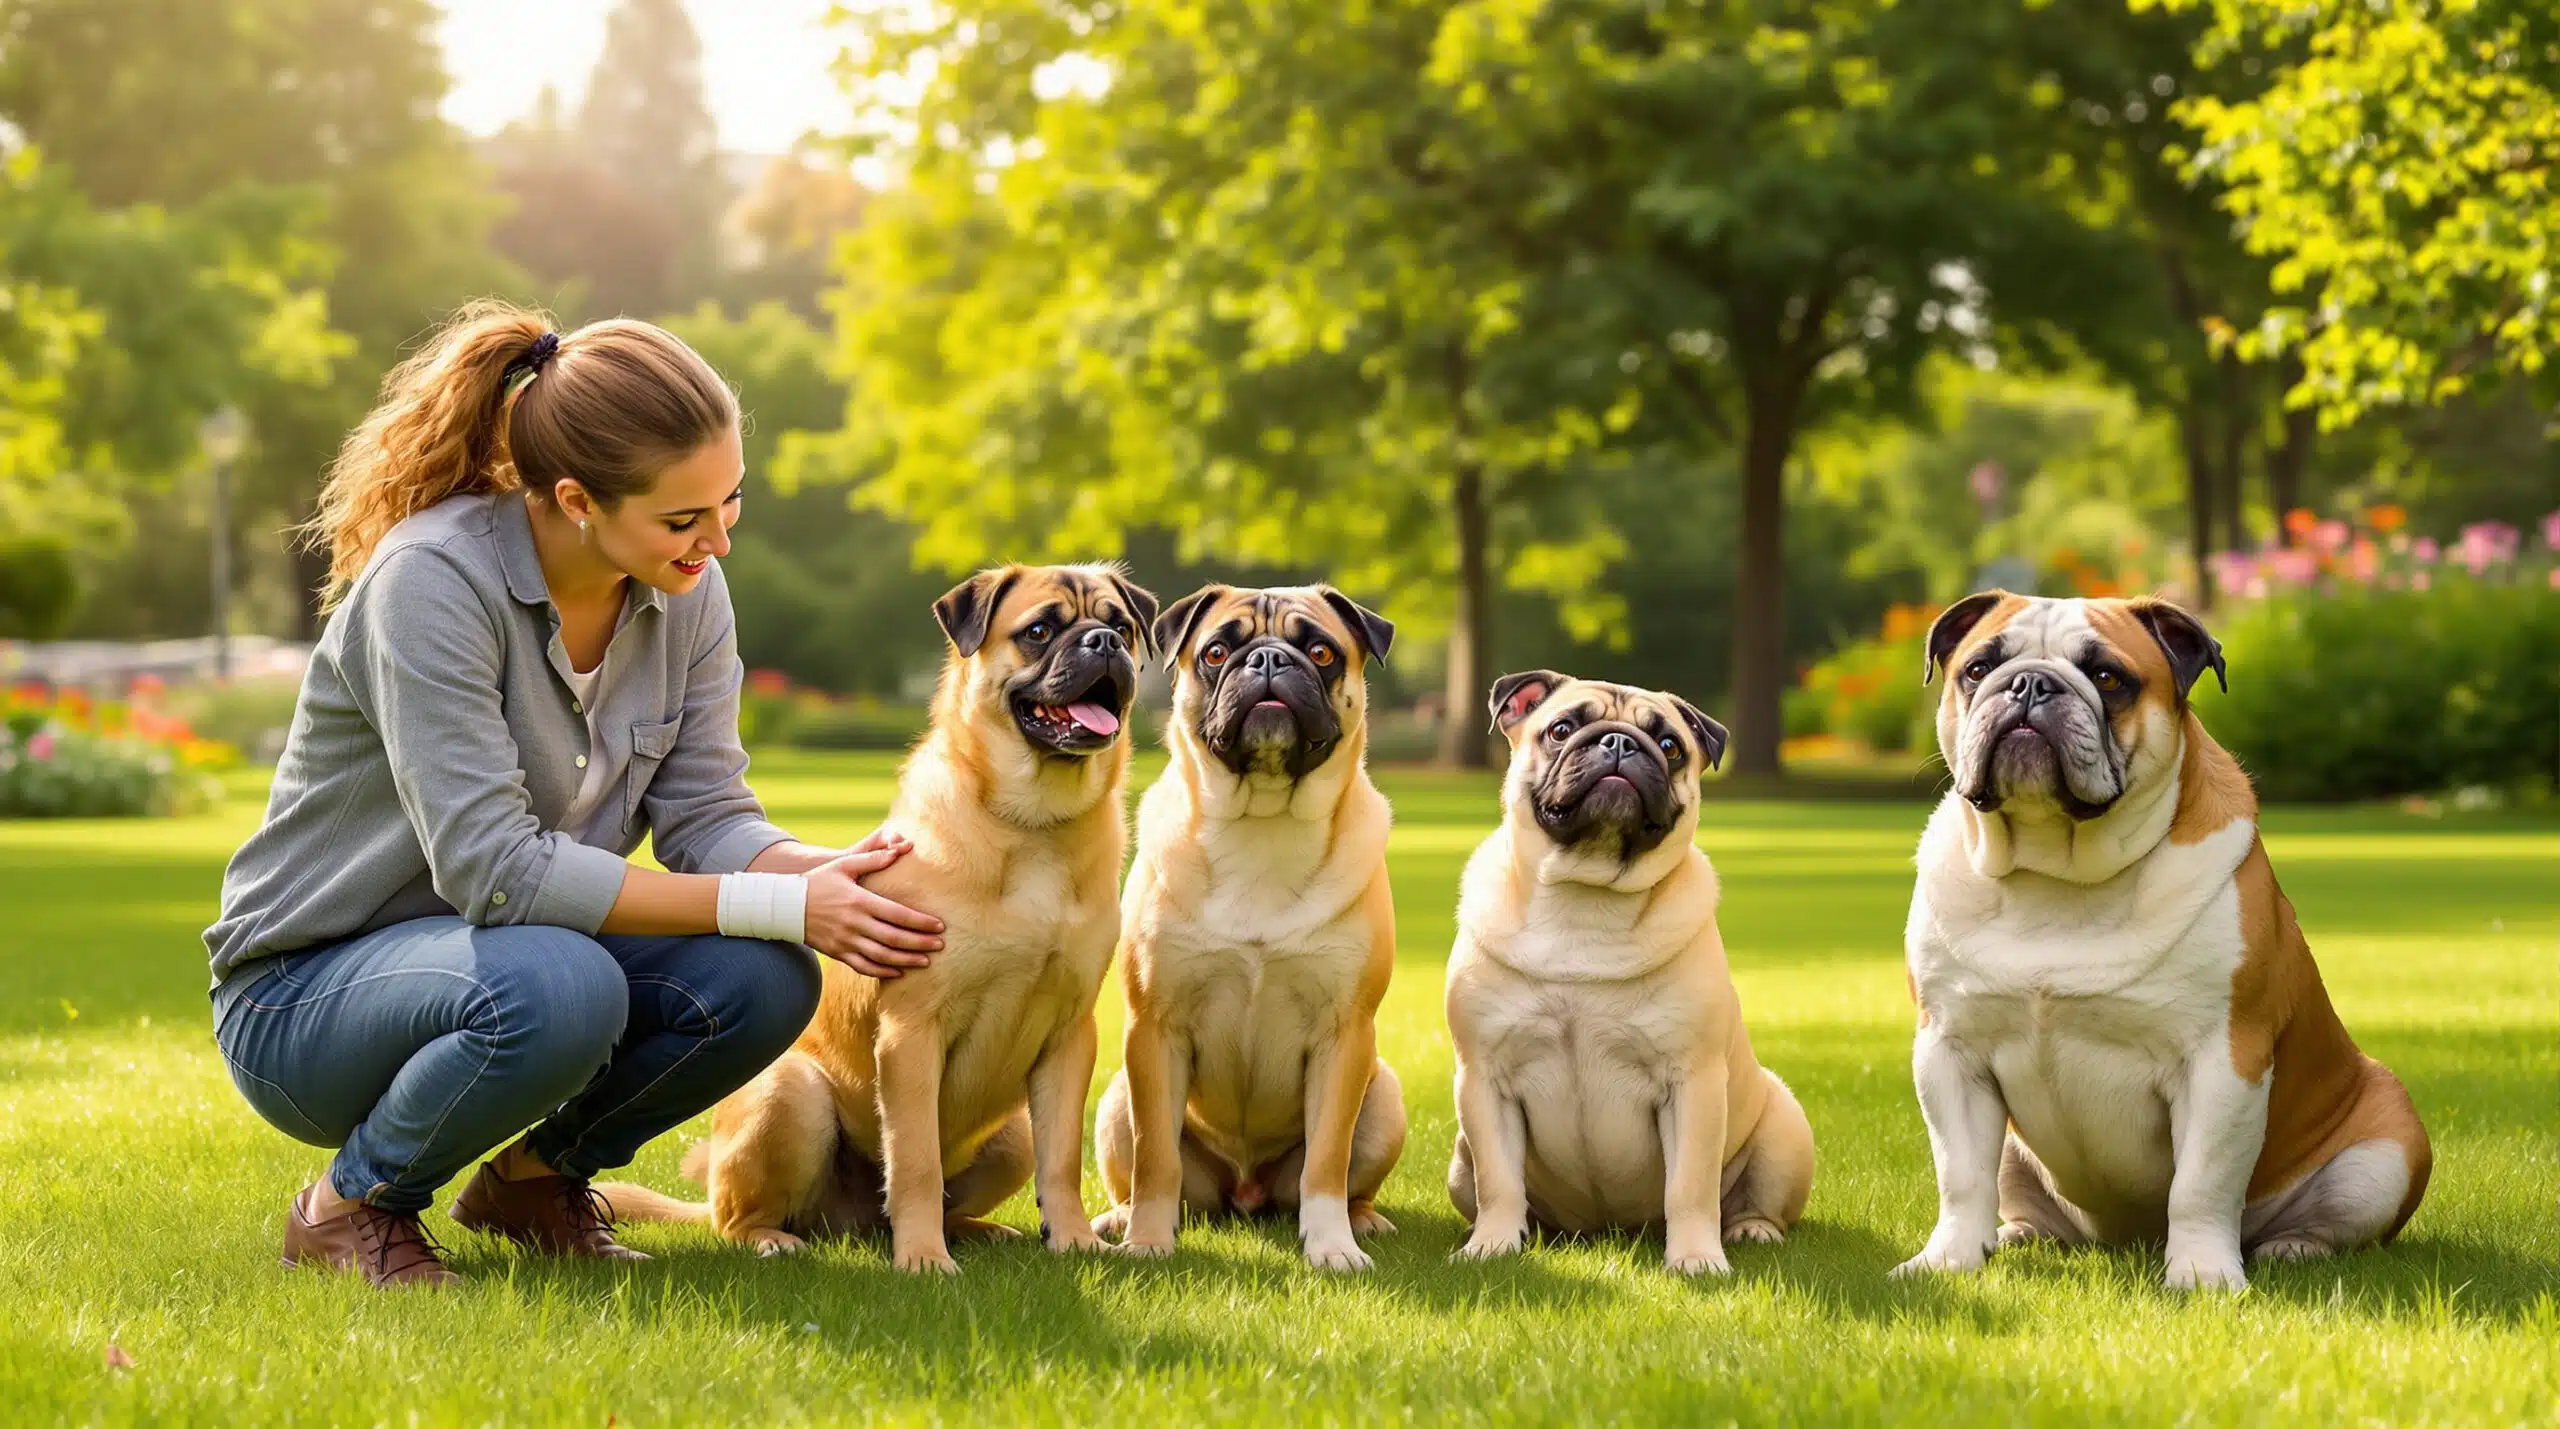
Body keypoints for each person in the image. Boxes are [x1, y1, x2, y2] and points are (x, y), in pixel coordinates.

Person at [203, 300, 943, 1287]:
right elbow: (496, 872)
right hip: (305, 1000)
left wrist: (832, 874)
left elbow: (707, 816)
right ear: (576, 499)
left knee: (766, 979)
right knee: (565, 984)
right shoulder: (431, 581)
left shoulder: (683, 589)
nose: (716, 542)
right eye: (684, 518)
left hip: (508, 958)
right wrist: (777, 900)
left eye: (731, 503)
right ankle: (349, 1209)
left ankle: (532, 1181)